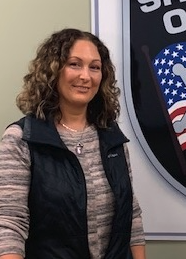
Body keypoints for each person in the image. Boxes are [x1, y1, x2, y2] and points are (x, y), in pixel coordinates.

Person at [0, 28, 146, 258]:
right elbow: (9, 224)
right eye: (74, 64)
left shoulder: (112, 137)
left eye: (95, 67)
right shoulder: (21, 139)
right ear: (52, 70)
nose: (85, 76)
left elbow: (132, 215)